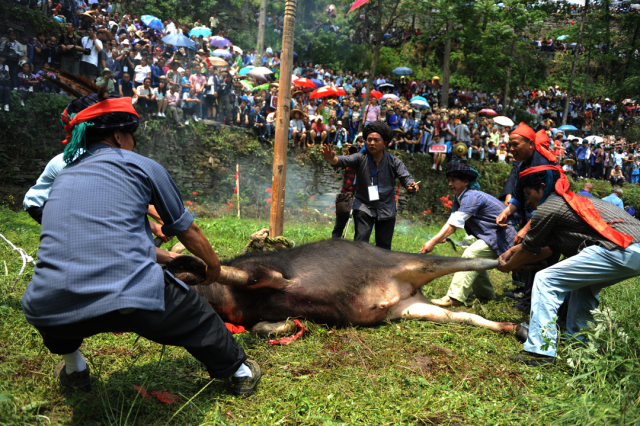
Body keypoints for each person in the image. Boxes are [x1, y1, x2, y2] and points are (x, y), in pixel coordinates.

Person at [21, 91, 261, 395]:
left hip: (48, 305)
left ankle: (74, 369)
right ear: (119, 136)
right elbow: (187, 230)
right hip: (131, 299)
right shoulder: (142, 166)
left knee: (54, 317)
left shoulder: (64, 174)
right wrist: (213, 266)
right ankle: (239, 371)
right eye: (132, 137)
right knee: (195, 313)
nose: (134, 143)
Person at [497, 166, 640, 366]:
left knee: (546, 280)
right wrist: (514, 254)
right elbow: (546, 249)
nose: (527, 201)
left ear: (542, 187)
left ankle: (541, 351)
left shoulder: (550, 205)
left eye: (528, 194)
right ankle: (582, 347)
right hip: (631, 250)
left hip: (623, 246)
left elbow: (528, 250)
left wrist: (508, 265)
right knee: (583, 287)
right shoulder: (567, 203)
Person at [422, 162, 517, 307]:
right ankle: (486, 295)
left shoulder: (471, 196)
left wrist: (432, 242)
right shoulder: (459, 197)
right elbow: (453, 220)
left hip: (501, 236)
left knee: (470, 255)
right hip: (492, 235)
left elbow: (454, 224)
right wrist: (442, 236)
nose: (450, 184)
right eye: (449, 180)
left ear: (466, 182)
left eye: (454, 180)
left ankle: (454, 297)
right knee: (476, 259)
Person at [320, 121, 419, 250]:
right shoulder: (360, 158)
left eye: (376, 140)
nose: (372, 143)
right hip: (364, 205)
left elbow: (405, 177)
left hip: (386, 208)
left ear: (385, 143)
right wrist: (331, 159)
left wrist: (411, 185)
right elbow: (343, 160)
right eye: (369, 140)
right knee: (361, 243)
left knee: (384, 247)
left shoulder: (394, 161)